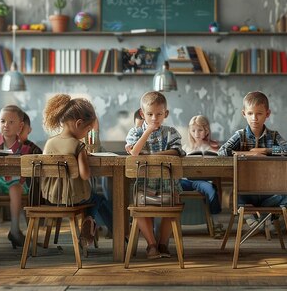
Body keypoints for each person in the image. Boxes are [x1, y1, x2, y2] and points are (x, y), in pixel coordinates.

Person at [41, 93, 112, 254]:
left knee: (93, 199)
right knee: (98, 198)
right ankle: (97, 222)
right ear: (79, 124)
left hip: (52, 197)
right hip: (74, 198)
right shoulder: (77, 146)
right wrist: (85, 156)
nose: (88, 134)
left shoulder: (49, 143)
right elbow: (85, 175)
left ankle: (90, 220)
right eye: (88, 130)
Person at [217, 91, 287, 230]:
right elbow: (222, 152)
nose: (254, 118)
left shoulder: (274, 136)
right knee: (234, 197)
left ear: (267, 114)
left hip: (269, 190)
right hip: (246, 190)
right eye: (250, 114)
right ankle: (258, 219)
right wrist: (249, 154)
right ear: (244, 114)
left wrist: (266, 151)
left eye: (259, 114)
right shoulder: (240, 135)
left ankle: (262, 218)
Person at [125, 91, 184, 259]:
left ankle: (163, 243)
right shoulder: (135, 132)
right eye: (150, 114)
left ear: (166, 114)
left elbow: (177, 151)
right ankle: (151, 244)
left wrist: (150, 157)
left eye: (159, 114)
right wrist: (147, 132)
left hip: (168, 185)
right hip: (144, 185)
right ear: (142, 114)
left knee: (171, 207)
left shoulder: (171, 131)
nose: (154, 118)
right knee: (138, 207)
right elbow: (134, 152)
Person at [0, 105, 42, 248]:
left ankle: (14, 228)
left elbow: (31, 168)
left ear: (20, 126)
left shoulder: (26, 148)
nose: (6, 125)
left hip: (17, 182)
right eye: (3, 121)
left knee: (15, 189)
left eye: (11, 122)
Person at [182, 115, 223, 238]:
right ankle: (169, 223)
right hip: (186, 180)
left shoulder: (214, 147)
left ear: (206, 130)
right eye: (193, 130)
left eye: (200, 130)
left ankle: (216, 223)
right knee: (173, 186)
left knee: (211, 190)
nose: (196, 133)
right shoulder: (185, 148)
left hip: (203, 180)